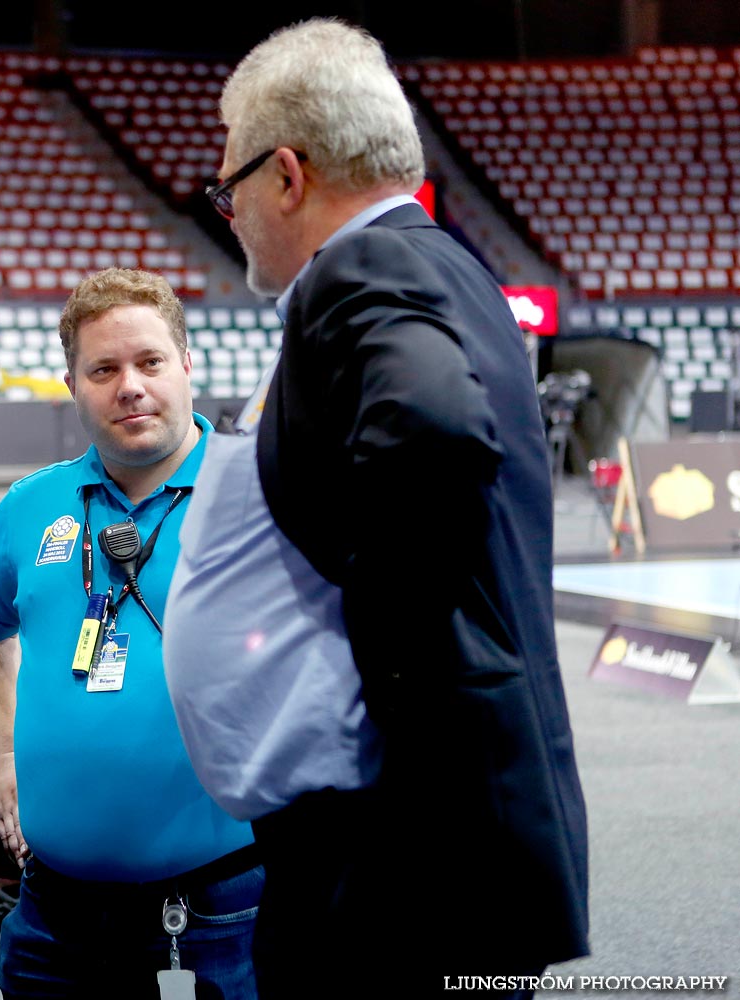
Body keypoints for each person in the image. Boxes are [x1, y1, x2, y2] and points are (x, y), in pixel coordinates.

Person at [162, 19, 589, 998]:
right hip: (425, 840)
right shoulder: (438, 265)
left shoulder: (364, 268)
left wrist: (377, 664)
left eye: (225, 187)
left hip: (394, 846)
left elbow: (433, 431)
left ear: (286, 174)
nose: (224, 212)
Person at [0, 268, 262, 999]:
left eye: (150, 362)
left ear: (186, 366)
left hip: (225, 909)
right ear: (73, 384)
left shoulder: (259, 494)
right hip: (56, 914)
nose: (130, 385)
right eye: (104, 369)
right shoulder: (32, 506)